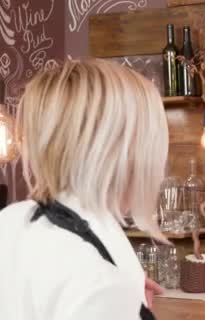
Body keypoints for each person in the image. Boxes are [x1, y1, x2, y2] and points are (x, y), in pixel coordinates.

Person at [0, 59, 169, 319]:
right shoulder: (98, 285)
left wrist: (127, 285)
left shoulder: (10, 219)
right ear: (125, 151)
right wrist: (114, 297)